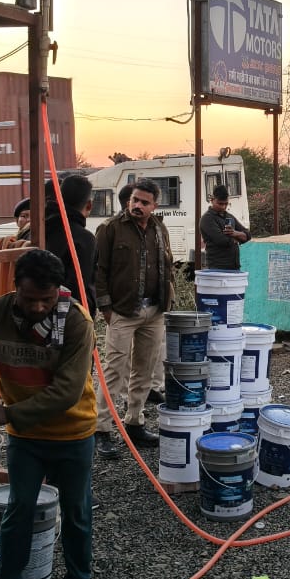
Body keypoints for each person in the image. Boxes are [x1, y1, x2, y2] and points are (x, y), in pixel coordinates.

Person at [0, 249, 96, 579]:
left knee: (76, 511)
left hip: (73, 432)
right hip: (26, 437)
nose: (39, 307)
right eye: (29, 299)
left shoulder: (76, 322)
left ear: (58, 291)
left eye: (47, 299)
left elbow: (67, 392)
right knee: (19, 508)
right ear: (15, 290)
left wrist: (8, 413)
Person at [93, 178, 174, 458]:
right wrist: (106, 308)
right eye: (134, 200)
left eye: (144, 202)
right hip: (122, 311)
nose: (137, 205)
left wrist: (168, 299)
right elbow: (99, 271)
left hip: (154, 310)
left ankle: (135, 422)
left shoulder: (159, 228)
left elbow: (167, 264)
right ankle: (101, 429)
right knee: (114, 369)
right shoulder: (110, 229)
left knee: (145, 369)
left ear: (155, 205)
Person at [44, 174, 98, 311]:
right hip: (69, 315)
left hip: (37, 309)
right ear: (89, 205)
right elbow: (79, 287)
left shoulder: (39, 230)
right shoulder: (84, 239)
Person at [199, 184, 250, 270]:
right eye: (220, 204)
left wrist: (235, 233)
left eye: (226, 204)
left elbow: (248, 235)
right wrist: (238, 238)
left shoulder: (229, 216)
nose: (223, 207)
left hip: (234, 266)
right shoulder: (207, 219)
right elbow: (222, 241)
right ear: (212, 200)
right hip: (217, 268)